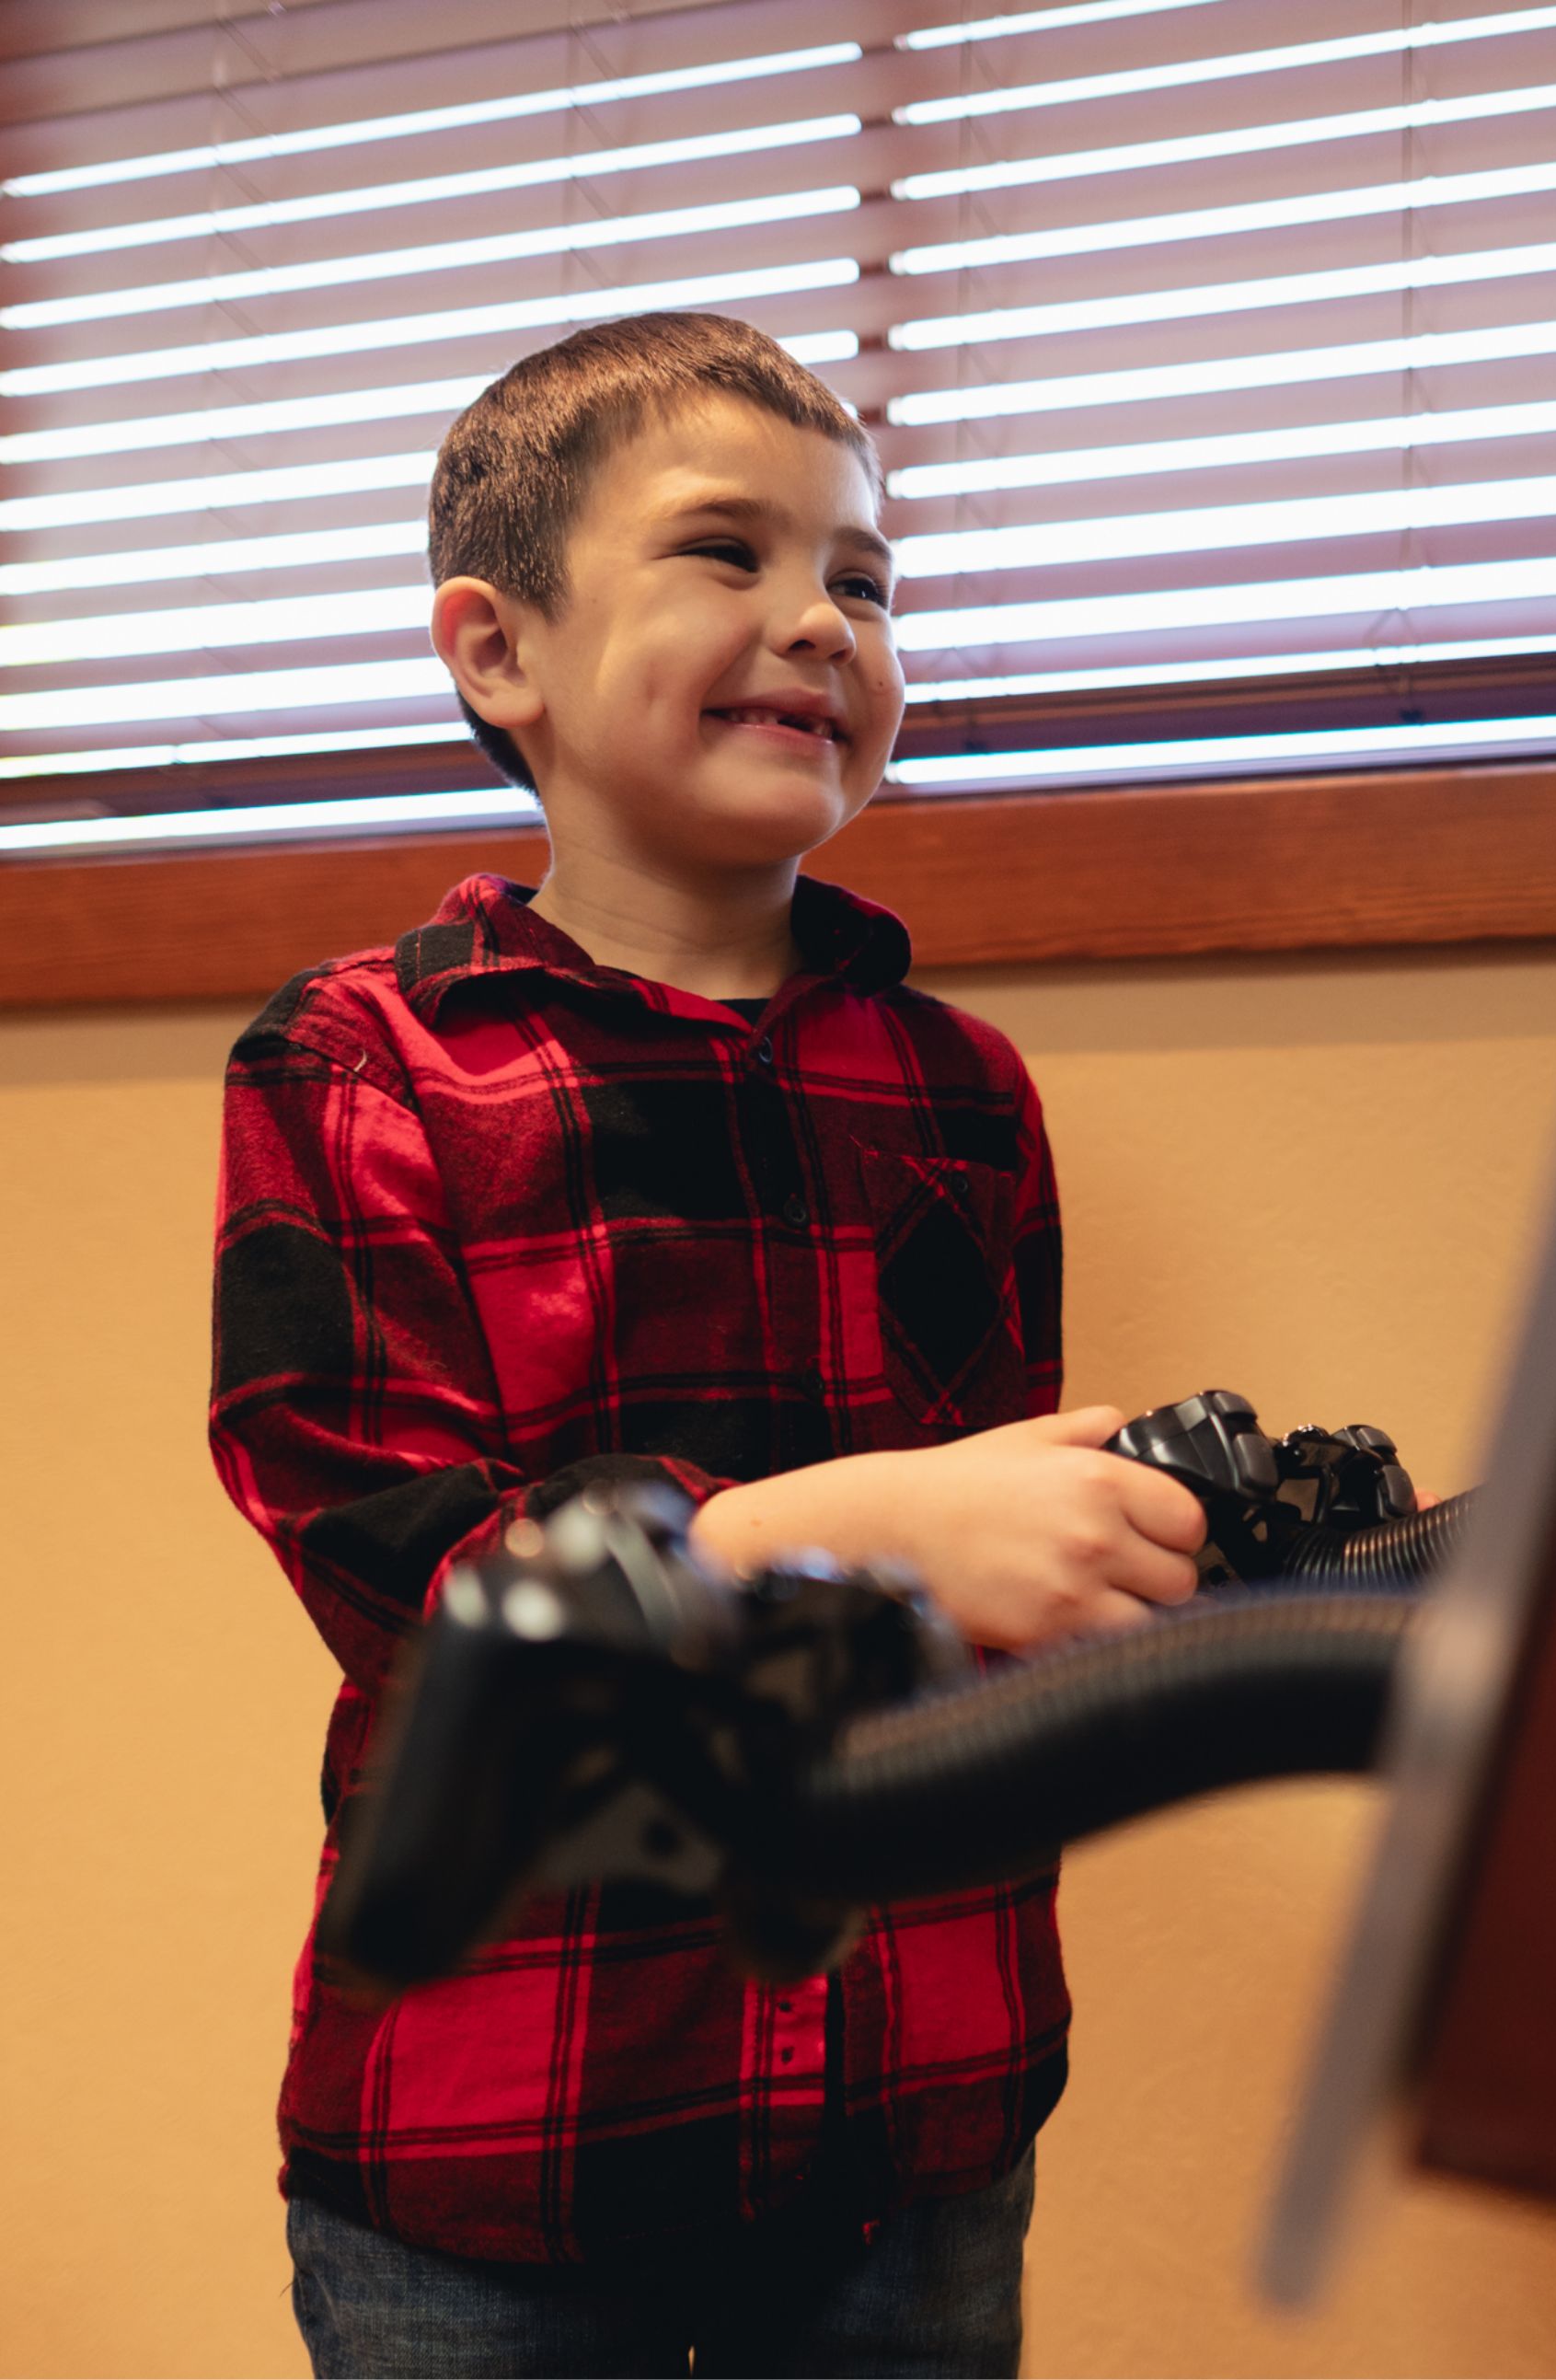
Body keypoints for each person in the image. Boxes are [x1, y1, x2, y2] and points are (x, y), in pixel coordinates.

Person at [210, 310, 1205, 2379]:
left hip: (915, 2109)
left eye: (864, 580)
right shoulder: (361, 1063)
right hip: (505, 2138)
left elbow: (975, 1577)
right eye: (727, 555)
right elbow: (408, 1580)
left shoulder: (962, 1094)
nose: (820, 622)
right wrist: (856, 1527)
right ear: (499, 654)